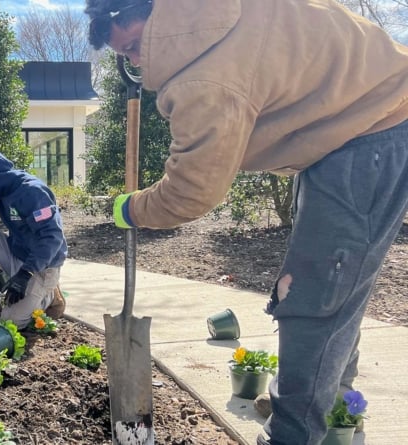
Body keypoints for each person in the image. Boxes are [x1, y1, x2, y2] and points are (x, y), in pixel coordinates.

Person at [85, 0, 408, 444]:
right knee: (338, 289)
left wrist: (130, 208)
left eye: (136, 45)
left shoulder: (205, 74)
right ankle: (333, 408)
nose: (138, 61)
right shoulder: (219, 12)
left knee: (315, 301)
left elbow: (189, 193)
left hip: (369, 135)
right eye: (127, 57)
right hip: (348, 128)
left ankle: (294, 434)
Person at [0, 146, 68, 329]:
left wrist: (26, 274)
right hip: (19, 254)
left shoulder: (32, 192)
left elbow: (52, 238)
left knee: (11, 322)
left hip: (43, 266)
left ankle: (50, 295)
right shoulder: (6, 189)